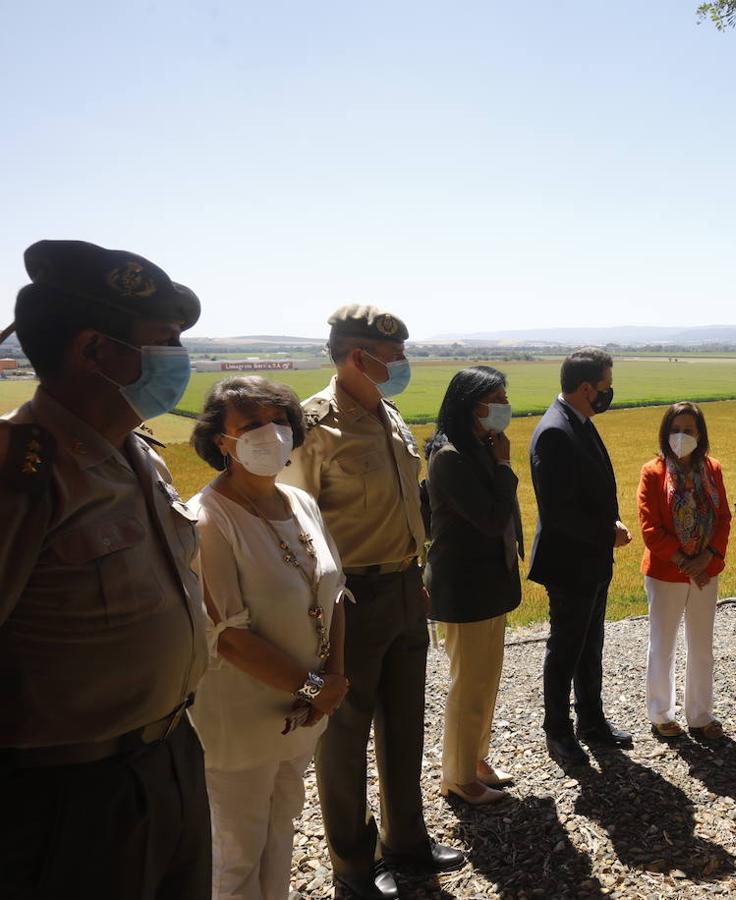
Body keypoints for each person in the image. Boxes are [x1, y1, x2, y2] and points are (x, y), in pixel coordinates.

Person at [0, 240, 211, 899]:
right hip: (71, 799)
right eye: (166, 339)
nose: (180, 358)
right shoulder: (21, 474)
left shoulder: (138, 452)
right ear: (97, 350)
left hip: (173, 757)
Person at [278, 305, 463, 900]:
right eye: (396, 356)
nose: (403, 365)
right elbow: (296, 531)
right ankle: (353, 865)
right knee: (345, 736)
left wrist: (416, 575)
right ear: (360, 356)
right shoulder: (311, 425)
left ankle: (407, 840)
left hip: (407, 588)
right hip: (350, 598)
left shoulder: (391, 414)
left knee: (406, 722)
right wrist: (319, 616)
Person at [188, 377, 351, 900]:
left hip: (302, 708)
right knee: (236, 854)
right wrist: (314, 688)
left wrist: (333, 680)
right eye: (251, 425)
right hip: (240, 718)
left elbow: (335, 594)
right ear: (222, 441)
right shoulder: (207, 518)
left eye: (279, 420)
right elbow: (229, 638)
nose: (271, 434)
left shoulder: (301, 502)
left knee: (281, 831)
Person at [528, 347, 634, 768]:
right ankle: (558, 731)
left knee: (591, 644)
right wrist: (606, 531)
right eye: (606, 387)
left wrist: (611, 520)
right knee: (566, 647)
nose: (609, 394)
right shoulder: (556, 431)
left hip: (590, 560)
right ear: (587, 387)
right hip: (570, 562)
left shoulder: (579, 422)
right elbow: (559, 511)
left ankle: (591, 722)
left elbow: (589, 490)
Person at [424, 367, 523, 805]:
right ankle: (458, 778)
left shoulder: (479, 446)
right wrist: (504, 467)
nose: (503, 405)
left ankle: (476, 761)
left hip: (489, 584)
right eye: (495, 397)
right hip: (463, 588)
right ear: (471, 403)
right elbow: (490, 517)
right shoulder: (449, 457)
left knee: (486, 681)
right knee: (468, 685)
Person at [636, 402, 732, 741]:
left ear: (700, 434)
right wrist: (685, 561)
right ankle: (661, 713)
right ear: (665, 434)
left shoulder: (713, 469)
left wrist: (705, 558)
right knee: (663, 644)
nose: (681, 436)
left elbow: (723, 519)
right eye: (675, 429)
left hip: (705, 571)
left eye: (689, 430)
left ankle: (701, 716)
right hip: (666, 573)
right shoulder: (653, 472)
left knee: (702, 645)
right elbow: (650, 529)